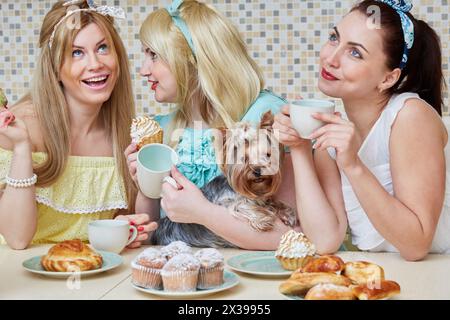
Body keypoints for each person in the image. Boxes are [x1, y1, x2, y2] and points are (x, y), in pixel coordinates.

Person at [274, 0, 449, 261]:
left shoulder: (410, 116)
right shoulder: (335, 129)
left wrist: (353, 165)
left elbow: (416, 246)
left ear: (388, 78)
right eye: (334, 38)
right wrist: (299, 146)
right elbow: (325, 239)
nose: (331, 59)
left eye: (355, 53)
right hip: (377, 274)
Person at [125, 0, 297, 250]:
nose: (143, 70)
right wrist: (145, 187)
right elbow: (152, 236)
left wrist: (203, 213)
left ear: (193, 60)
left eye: (154, 55)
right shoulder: (164, 129)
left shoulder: (263, 116)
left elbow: (291, 234)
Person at [0, 0, 155, 249]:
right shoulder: (19, 128)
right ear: (54, 67)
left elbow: (122, 229)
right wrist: (21, 148)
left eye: (103, 48)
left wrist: (124, 228)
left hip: (91, 275)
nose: (95, 64)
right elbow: (17, 240)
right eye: (76, 53)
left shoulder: (125, 134)